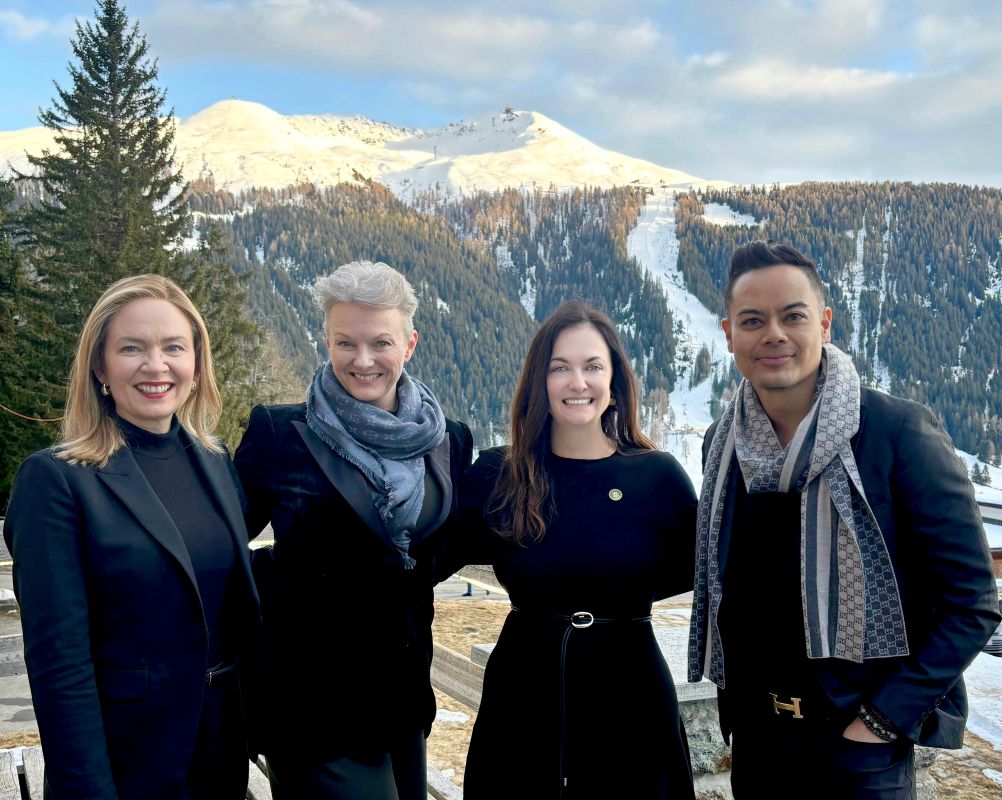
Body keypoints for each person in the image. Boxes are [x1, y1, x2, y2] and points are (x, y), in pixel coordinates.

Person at [688, 240, 1002, 799]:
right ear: (729, 333)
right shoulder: (722, 445)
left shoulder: (896, 434)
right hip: (759, 747)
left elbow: (972, 602)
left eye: (793, 316)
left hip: (861, 756)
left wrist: (881, 722)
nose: (774, 335)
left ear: (825, 323)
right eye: (753, 320)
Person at [4, 274, 261, 800]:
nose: (156, 365)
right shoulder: (56, 482)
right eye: (131, 348)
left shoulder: (215, 463)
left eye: (173, 347)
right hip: (127, 765)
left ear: (196, 362)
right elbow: (60, 665)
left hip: (220, 753)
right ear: (99, 367)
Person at [234, 260, 473, 800]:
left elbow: (436, 553)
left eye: (380, 343)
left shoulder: (449, 440)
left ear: (409, 344)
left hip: (404, 700)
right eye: (345, 343)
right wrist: (283, 582)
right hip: (311, 704)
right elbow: (221, 540)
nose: (362, 360)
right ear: (326, 341)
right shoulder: (280, 433)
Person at [440, 300, 697, 799]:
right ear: (540, 381)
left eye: (591, 366)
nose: (577, 382)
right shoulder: (500, 475)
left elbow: (705, 573)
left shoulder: (657, 477)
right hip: (524, 693)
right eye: (560, 368)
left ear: (614, 381)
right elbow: (422, 558)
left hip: (632, 695)